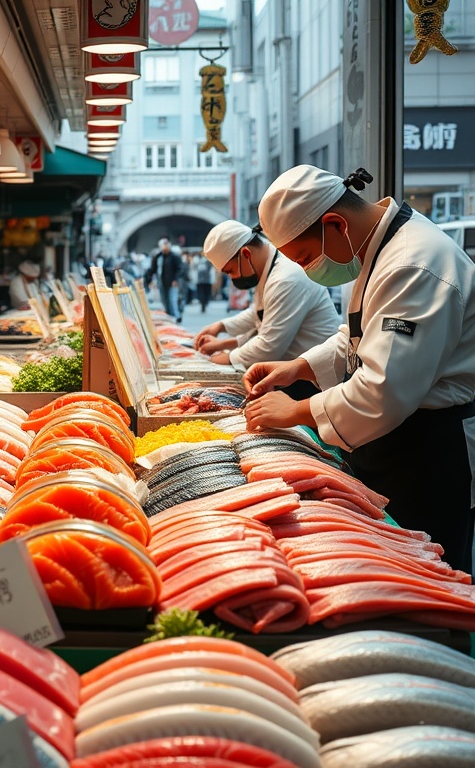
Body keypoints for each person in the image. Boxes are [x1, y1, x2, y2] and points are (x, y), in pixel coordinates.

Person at [244, 165, 475, 572]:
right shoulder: (377, 246)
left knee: (429, 576)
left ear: (336, 224)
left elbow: (382, 390)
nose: (307, 269)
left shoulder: (412, 263)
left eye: (305, 257)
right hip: (400, 440)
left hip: (433, 451)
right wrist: (297, 368)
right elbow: (357, 337)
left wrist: (297, 411)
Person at [193, 220, 340, 400]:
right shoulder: (268, 270)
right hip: (295, 373)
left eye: (231, 271)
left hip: (316, 382)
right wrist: (221, 326)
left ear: (245, 254)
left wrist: (225, 358)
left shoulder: (286, 279)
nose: (232, 278)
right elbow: (257, 313)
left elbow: (268, 346)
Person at [151, 238, 183, 321]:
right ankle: (169, 316)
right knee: (165, 300)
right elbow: (153, 269)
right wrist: (150, 280)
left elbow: (180, 269)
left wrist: (175, 279)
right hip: (162, 282)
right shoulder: (158, 257)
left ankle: (177, 316)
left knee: (173, 300)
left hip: (172, 282)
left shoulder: (175, 256)